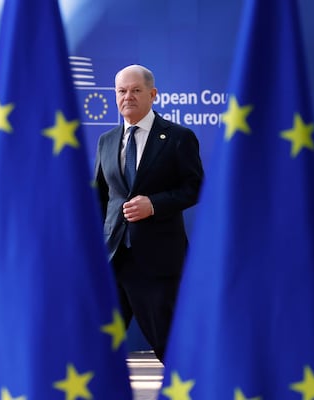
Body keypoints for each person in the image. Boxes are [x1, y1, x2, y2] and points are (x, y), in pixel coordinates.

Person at [94, 64, 204, 362]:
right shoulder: (106, 141)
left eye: (136, 90)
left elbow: (194, 188)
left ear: (153, 94)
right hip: (113, 260)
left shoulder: (179, 137)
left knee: (171, 348)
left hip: (157, 263)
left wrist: (153, 204)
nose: (127, 97)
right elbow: (101, 197)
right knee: (95, 350)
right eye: (121, 91)